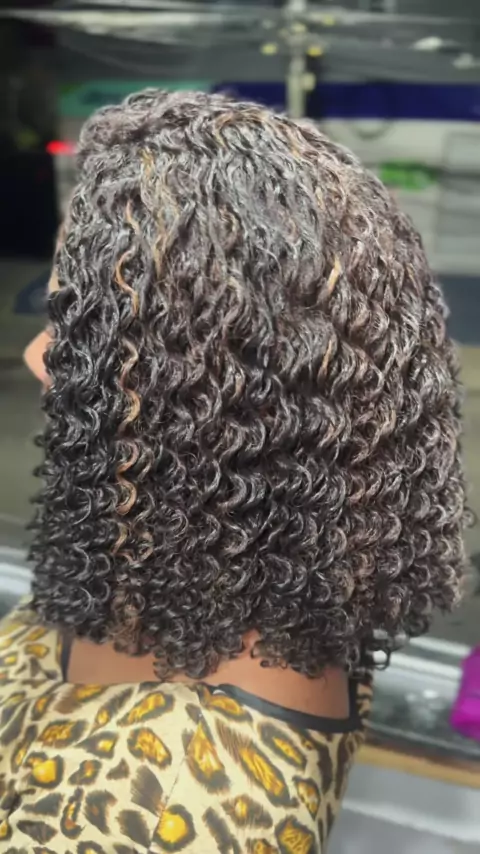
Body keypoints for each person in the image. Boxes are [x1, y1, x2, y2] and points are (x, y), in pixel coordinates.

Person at [0, 89, 467, 853]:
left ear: (214, 390)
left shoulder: (160, 812)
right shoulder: (232, 562)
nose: (36, 359)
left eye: (78, 331)